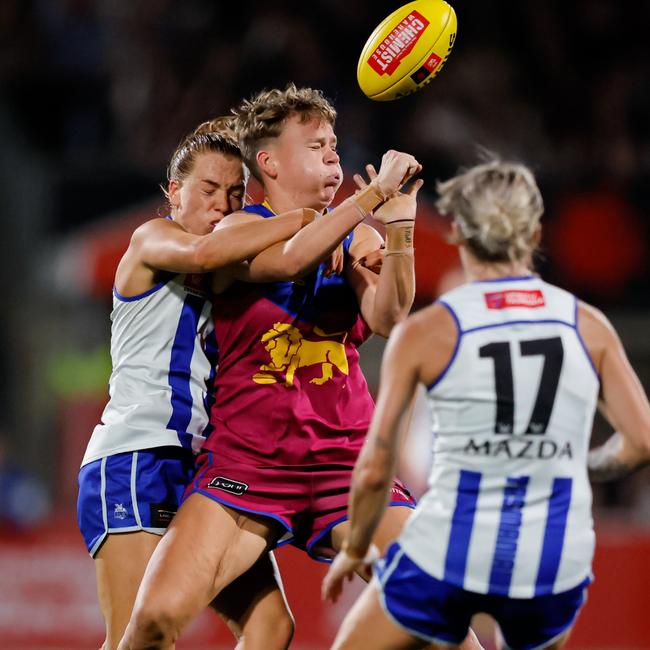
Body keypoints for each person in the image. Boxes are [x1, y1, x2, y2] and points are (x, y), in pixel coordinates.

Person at [118, 84, 474, 649]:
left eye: (334, 143)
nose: (334, 154)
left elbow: (389, 315)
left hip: (345, 464)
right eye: (315, 145)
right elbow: (287, 258)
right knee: (156, 619)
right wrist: (362, 202)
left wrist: (399, 224)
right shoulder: (234, 230)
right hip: (249, 465)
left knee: (440, 606)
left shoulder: (356, 232)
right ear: (269, 162)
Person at [322, 158, 650, 650]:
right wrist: (579, 464)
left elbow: (375, 466)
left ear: (459, 234)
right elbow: (641, 441)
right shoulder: (588, 325)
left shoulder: (428, 331)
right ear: (536, 233)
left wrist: (356, 545)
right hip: (553, 555)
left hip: (451, 547)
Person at [77, 119, 316, 650]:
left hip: (204, 467)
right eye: (208, 190)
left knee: (271, 626)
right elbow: (206, 255)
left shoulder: (235, 267)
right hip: (136, 458)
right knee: (138, 637)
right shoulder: (153, 240)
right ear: (174, 192)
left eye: (235, 195)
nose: (222, 206)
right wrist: (306, 216)